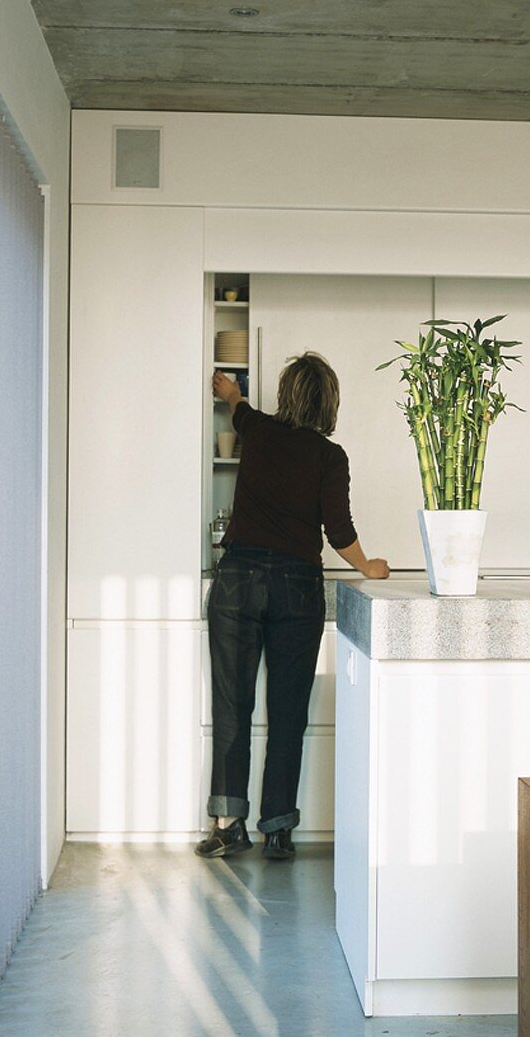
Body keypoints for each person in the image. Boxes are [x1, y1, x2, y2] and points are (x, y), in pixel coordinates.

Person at [198, 353, 390, 861]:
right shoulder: (331, 457)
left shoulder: (257, 430)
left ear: (286, 396)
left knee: (232, 707)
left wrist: (229, 391)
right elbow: (339, 530)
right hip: (297, 589)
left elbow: (237, 407)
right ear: (329, 402)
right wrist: (367, 566)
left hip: (238, 580)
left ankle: (226, 823)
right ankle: (278, 829)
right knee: (288, 712)